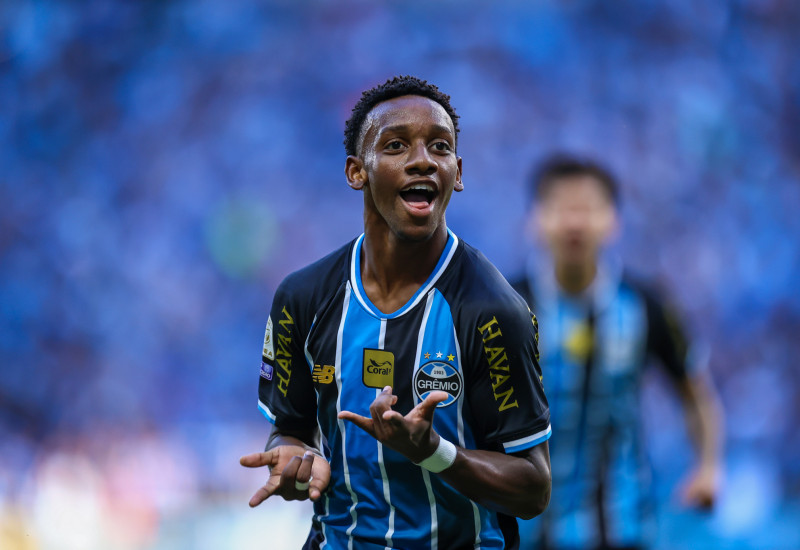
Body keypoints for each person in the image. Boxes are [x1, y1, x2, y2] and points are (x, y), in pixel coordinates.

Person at [240, 76, 552, 550]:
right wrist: (294, 462)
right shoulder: (302, 298)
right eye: (396, 145)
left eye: (440, 147)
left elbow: (533, 487)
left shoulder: (493, 312)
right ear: (356, 171)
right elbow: (290, 429)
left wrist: (435, 454)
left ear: (458, 172)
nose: (423, 159)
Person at [510, 155, 723, 550]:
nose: (575, 222)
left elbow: (694, 392)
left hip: (621, 525)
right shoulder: (502, 306)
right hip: (522, 530)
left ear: (613, 221)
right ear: (535, 220)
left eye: (588, 208)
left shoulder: (646, 304)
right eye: (560, 207)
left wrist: (708, 467)